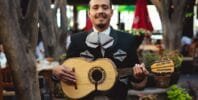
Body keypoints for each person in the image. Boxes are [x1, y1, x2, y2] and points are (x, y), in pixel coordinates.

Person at [52, 0, 149, 99]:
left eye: (105, 7)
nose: (100, 11)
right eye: (95, 7)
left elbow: (135, 72)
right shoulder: (77, 39)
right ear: (89, 13)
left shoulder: (127, 39)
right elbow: (68, 69)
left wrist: (138, 76)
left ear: (111, 12)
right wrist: (56, 74)